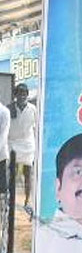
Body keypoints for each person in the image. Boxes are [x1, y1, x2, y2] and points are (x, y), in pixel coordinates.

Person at [9, 83, 35, 211]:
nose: (22, 96)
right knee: (12, 173)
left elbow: (36, 127)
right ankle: (10, 199)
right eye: (19, 93)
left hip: (28, 144)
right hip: (13, 143)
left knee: (27, 173)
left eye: (24, 93)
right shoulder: (9, 108)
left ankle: (27, 200)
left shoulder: (33, 109)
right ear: (15, 95)